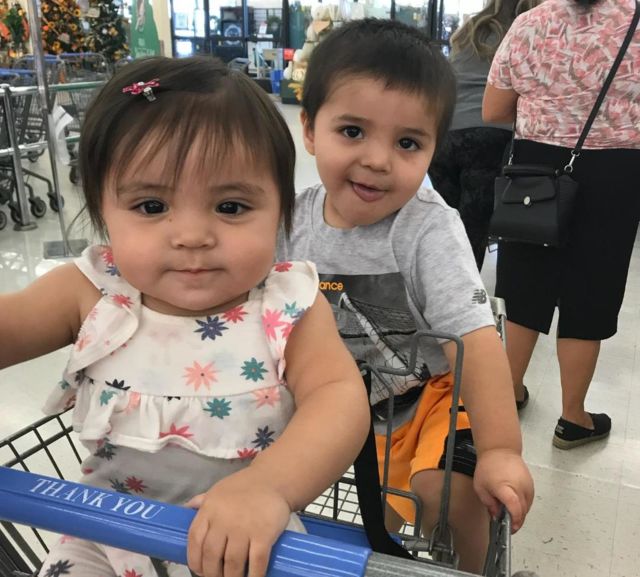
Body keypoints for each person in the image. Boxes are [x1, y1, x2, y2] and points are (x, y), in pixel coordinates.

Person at [0, 57, 370, 577]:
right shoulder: (93, 290)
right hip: (104, 534)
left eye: (231, 207)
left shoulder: (287, 305)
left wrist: (268, 487)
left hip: (242, 538)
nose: (192, 236)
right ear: (104, 210)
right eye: (152, 206)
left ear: (280, 212)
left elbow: (339, 400)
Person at [277, 19, 534, 574]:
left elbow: (475, 341)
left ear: (434, 149)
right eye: (352, 131)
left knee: (448, 494)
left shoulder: (427, 230)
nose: (378, 159)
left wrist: (500, 450)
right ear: (310, 129)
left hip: (431, 396)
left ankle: (469, 569)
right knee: (369, 522)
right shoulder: (287, 221)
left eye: (408, 143)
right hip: (328, 402)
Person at [483, 0, 640, 448]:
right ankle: (574, 418)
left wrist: (552, 112)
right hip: (618, 173)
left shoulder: (530, 23)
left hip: (535, 169)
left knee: (526, 281)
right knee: (592, 288)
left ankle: (509, 392)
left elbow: (494, 110)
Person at [428, 0, 541, 271]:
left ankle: (433, 286)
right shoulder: (532, 29)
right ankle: (463, 293)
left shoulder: (471, 28)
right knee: (472, 232)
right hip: (489, 138)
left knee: (445, 224)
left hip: (444, 134)